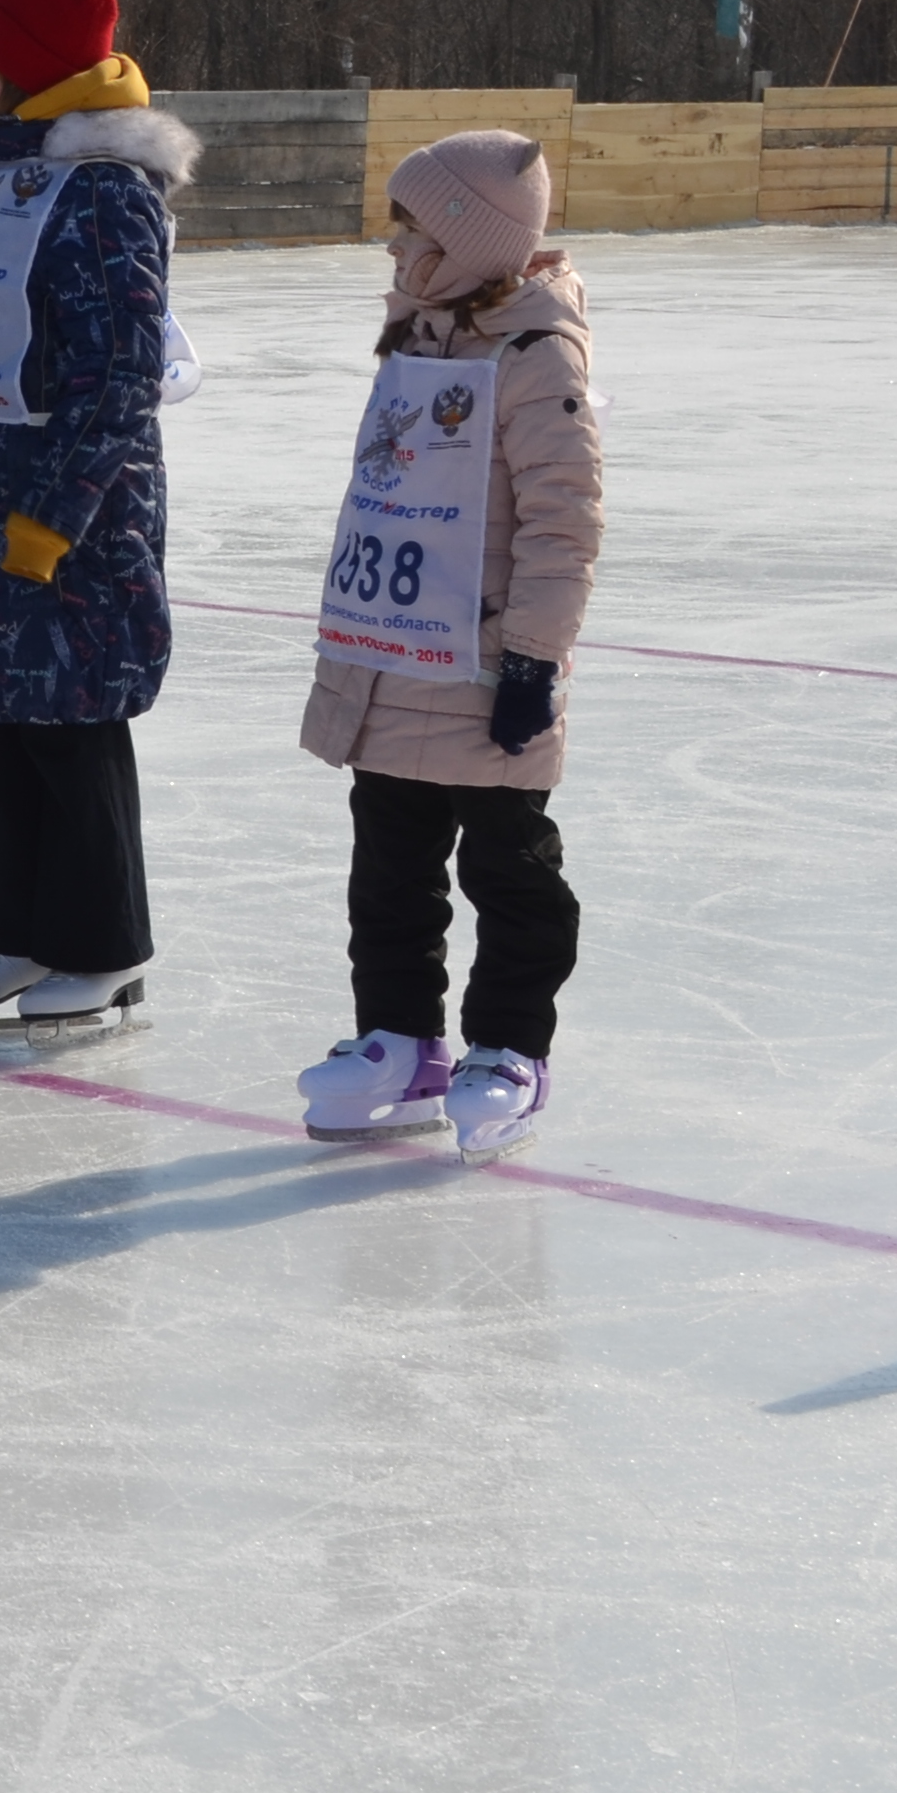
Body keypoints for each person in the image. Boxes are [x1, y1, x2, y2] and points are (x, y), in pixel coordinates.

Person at [294, 130, 602, 1161]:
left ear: (468, 239)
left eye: (410, 226)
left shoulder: (531, 352)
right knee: (387, 865)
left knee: (507, 870)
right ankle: (399, 1039)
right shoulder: (418, 332)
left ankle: (508, 1046)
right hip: (393, 653)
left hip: (482, 663)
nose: (390, 246)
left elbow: (563, 521)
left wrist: (530, 657)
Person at [0, 0, 202, 1025]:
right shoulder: (0, 170)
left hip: (69, 506)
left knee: (69, 723)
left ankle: (103, 943)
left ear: (35, 73)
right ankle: (19, 936)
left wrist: (57, 515)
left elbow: (119, 375)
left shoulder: (105, 191)